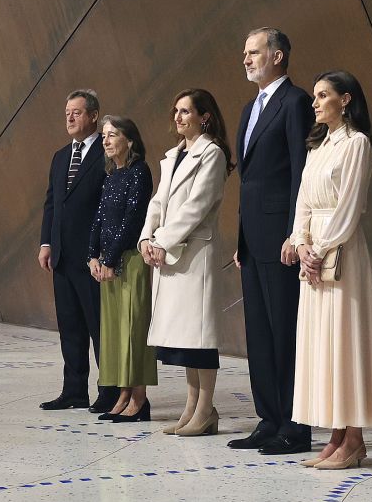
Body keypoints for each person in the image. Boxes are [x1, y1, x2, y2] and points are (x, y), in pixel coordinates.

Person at [289, 71, 372, 469]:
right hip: (314, 252)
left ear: (345, 100)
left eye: (323, 95)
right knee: (321, 346)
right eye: (314, 96)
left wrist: (321, 249)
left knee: (345, 343)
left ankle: (355, 439)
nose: (314, 103)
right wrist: (301, 244)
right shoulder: (317, 146)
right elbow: (303, 203)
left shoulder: (356, 143)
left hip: (342, 250)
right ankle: (334, 436)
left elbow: (350, 207)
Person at [228, 28, 316, 454]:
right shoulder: (250, 108)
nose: (246, 59)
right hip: (253, 238)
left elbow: (300, 171)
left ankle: (295, 426)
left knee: (285, 332)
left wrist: (296, 233)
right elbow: (250, 180)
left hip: (282, 237)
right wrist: (241, 236)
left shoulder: (296, 101)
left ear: (278, 56)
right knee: (260, 334)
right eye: (245, 53)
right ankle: (268, 418)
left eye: (254, 52)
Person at [139, 89, 231, 436]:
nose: (178, 117)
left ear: (204, 117)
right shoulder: (173, 155)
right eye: (176, 111)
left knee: (200, 337)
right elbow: (158, 202)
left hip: (193, 255)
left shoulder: (212, 154)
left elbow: (197, 206)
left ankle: (205, 408)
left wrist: (162, 241)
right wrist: (147, 238)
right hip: (169, 253)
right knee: (182, 339)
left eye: (186, 111)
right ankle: (191, 406)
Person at [37, 89, 112, 414]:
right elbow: (52, 203)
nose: (69, 117)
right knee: (70, 327)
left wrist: (103, 252)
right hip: (63, 257)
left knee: (99, 327)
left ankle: (108, 390)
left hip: (93, 257)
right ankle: (74, 390)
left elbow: (109, 207)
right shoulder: (59, 157)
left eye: (77, 112)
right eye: (67, 112)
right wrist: (46, 242)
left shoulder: (106, 153)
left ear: (93, 115)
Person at [88, 115, 155, 422]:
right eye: (104, 135)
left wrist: (110, 259)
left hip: (130, 261)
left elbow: (131, 220)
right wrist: (93, 256)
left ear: (130, 140)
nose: (106, 140)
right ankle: (124, 393)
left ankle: (139, 399)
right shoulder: (111, 174)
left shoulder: (139, 172)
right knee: (115, 332)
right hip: (110, 262)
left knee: (133, 330)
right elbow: (100, 218)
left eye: (112, 134)